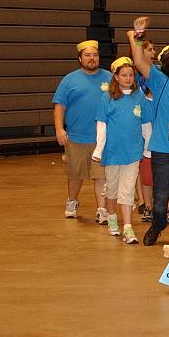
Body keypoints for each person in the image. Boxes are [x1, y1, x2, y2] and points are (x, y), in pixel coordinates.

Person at [127, 19, 169, 246]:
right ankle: (158, 224)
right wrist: (138, 33)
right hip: (163, 149)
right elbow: (138, 59)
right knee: (161, 197)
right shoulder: (159, 79)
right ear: (168, 65)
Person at [92, 57, 153, 244]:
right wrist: (99, 149)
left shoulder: (140, 97)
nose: (128, 78)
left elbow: (146, 124)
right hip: (112, 152)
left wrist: (147, 148)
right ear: (116, 77)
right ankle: (112, 218)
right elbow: (101, 125)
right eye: (124, 75)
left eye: (131, 75)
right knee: (112, 190)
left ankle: (128, 228)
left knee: (127, 191)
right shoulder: (107, 98)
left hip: (133, 152)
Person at [52, 40, 112, 223]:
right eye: (87, 55)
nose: (92, 59)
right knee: (75, 174)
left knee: (100, 175)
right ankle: (72, 201)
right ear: (80, 58)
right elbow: (59, 107)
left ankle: (102, 210)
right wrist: (59, 129)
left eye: (95, 55)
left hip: (102, 138)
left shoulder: (110, 78)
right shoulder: (69, 80)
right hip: (76, 137)